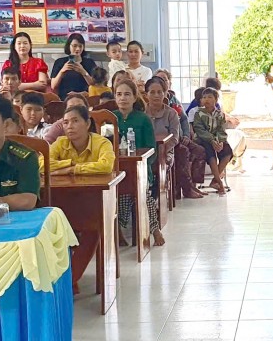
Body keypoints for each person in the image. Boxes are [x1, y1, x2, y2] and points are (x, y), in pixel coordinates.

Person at [113, 79, 165, 245]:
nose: (123, 98)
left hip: (140, 169)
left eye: (127, 94)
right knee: (121, 197)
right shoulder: (110, 118)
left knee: (142, 194)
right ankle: (118, 231)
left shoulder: (143, 119)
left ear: (134, 98)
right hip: (116, 171)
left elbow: (151, 149)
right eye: (119, 94)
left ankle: (154, 230)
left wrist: (142, 166)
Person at [144, 77, 202, 199]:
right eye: (152, 92)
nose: (156, 95)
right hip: (146, 150)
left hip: (167, 149)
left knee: (182, 152)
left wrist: (162, 150)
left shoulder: (171, 113)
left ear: (165, 93)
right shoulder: (142, 114)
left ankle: (175, 191)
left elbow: (175, 137)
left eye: (159, 92)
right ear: (146, 94)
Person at [48, 105, 115, 176]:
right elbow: (42, 164)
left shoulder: (102, 143)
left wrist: (71, 170)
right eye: (66, 122)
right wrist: (70, 163)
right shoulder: (60, 142)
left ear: (87, 124)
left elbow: (107, 166)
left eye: (75, 121)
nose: (69, 126)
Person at [193, 87, 234, 195]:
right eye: (204, 97)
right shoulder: (199, 113)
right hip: (203, 140)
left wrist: (220, 141)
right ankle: (219, 183)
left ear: (215, 99)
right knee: (210, 153)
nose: (206, 99)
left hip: (217, 140)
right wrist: (212, 140)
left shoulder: (220, 114)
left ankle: (214, 181)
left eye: (210, 97)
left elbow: (221, 130)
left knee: (228, 152)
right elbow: (199, 130)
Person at [50, 33, 98, 100]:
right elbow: (53, 86)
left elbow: (95, 85)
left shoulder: (89, 62)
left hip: (84, 98)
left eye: (80, 46)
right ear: (69, 46)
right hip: (65, 99)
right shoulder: (59, 62)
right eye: (74, 46)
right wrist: (62, 71)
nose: (78, 49)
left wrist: (83, 72)